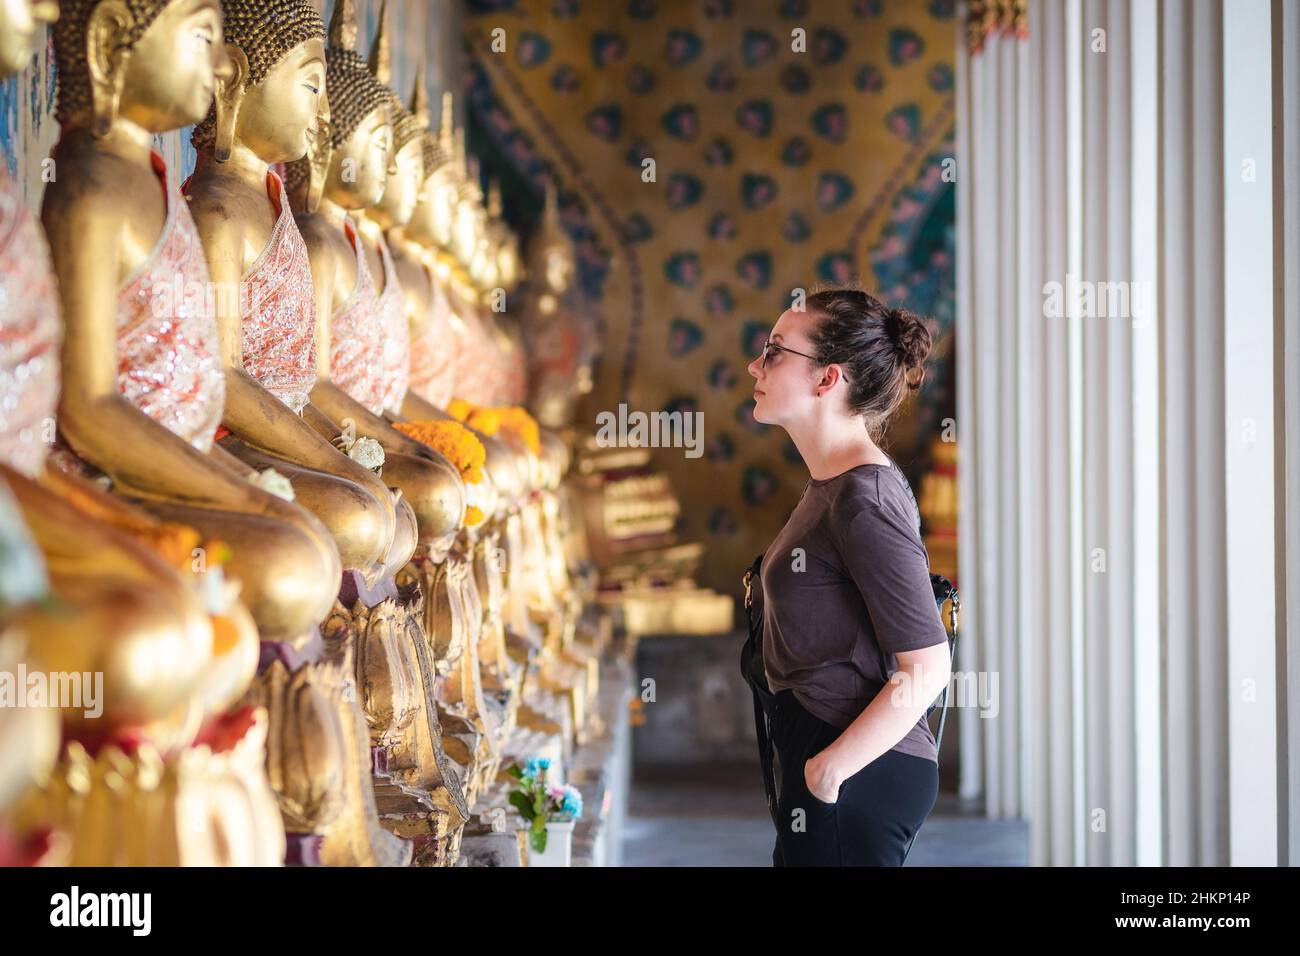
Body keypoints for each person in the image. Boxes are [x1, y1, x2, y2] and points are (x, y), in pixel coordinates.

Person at [746, 287, 952, 866]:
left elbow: (929, 666)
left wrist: (827, 772)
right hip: (828, 753)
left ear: (826, 378)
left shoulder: (865, 498)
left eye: (774, 350)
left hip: (857, 768)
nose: (754, 365)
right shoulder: (835, 485)